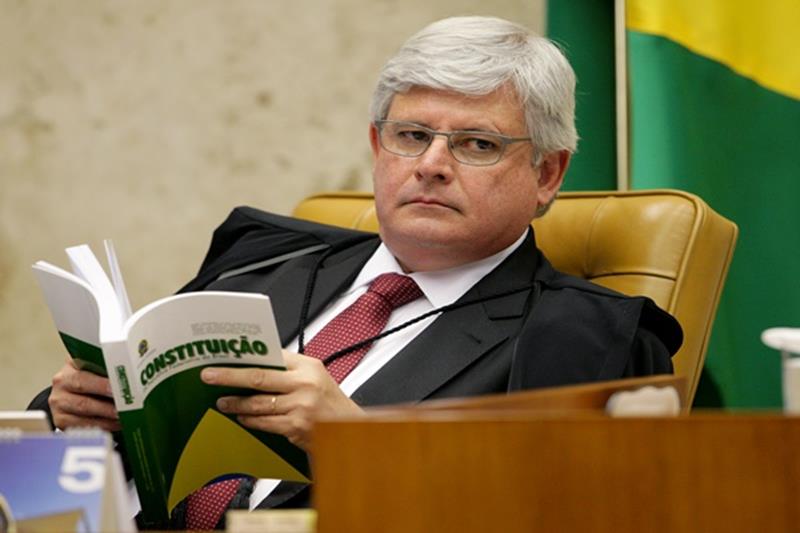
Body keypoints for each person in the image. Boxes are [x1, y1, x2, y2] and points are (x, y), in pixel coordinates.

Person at [30, 14, 681, 528]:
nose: (431, 164)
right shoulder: (262, 259)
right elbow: (37, 488)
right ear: (377, 145)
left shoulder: (589, 339)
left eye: (477, 144)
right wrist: (65, 419)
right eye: (411, 135)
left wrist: (356, 445)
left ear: (547, 174)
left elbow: (563, 516)